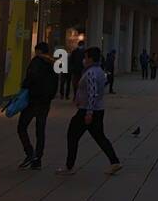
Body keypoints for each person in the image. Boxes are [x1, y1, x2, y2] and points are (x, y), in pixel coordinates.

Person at [58, 47, 121, 175]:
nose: (84, 60)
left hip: (87, 110)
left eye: (85, 57)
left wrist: (89, 112)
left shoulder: (91, 72)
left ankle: (69, 166)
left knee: (73, 135)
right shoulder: (99, 71)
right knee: (99, 137)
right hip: (97, 109)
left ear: (91, 59)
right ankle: (114, 162)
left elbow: (93, 93)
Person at [18, 41, 58, 170]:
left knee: (22, 127)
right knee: (40, 131)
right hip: (45, 103)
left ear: (38, 51)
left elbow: (30, 79)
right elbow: (55, 83)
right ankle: (38, 159)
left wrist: (24, 88)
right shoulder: (52, 64)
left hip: (33, 101)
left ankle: (30, 152)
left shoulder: (36, 62)